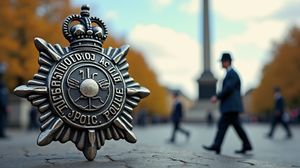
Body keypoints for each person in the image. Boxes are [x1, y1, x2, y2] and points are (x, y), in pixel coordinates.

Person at [203, 53, 252, 154]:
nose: (221, 63)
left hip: (231, 106)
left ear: (227, 62)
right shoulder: (230, 73)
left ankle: (217, 145)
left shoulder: (232, 74)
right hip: (231, 106)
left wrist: (217, 96)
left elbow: (228, 88)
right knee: (235, 126)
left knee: (223, 125)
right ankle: (246, 145)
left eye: (222, 61)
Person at [0, 63, 8, 138]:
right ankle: (1, 133)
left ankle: (2, 132)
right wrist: (5, 105)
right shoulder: (2, 85)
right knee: (2, 119)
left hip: (2, 105)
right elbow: (3, 96)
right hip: (2, 106)